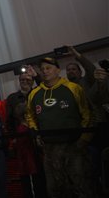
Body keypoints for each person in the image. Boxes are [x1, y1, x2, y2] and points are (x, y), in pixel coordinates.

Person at [26, 57, 95, 198]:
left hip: (74, 146)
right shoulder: (34, 94)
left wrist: (84, 139)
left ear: (58, 70)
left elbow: (87, 114)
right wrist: (37, 134)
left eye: (49, 68)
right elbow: (30, 116)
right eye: (43, 68)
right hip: (50, 149)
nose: (45, 71)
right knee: (55, 189)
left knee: (81, 185)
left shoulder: (73, 88)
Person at [5, 69, 47, 198]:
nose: (24, 82)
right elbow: (9, 120)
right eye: (22, 80)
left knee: (42, 170)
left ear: (32, 81)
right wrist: (13, 138)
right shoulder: (12, 98)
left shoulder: (38, 93)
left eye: (27, 80)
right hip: (23, 137)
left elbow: (45, 87)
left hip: (40, 136)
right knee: (28, 170)